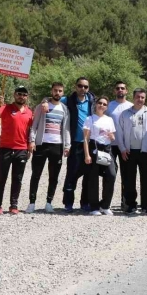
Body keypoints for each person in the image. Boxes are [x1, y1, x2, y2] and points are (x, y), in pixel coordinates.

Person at [51, 77, 96, 213]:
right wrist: (45, 102)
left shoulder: (93, 102)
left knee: (88, 175)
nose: (83, 89)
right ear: (76, 86)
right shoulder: (67, 100)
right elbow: (53, 100)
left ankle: (85, 203)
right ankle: (68, 203)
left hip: (89, 143)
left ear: (88, 88)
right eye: (80, 86)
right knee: (72, 173)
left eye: (85, 87)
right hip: (75, 143)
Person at [27, 82, 71, 213]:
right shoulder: (42, 106)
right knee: (36, 175)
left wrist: (67, 145)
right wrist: (32, 140)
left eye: (60, 91)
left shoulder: (64, 109)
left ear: (63, 93)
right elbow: (34, 125)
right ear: (51, 91)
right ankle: (32, 203)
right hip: (41, 145)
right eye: (55, 90)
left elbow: (67, 129)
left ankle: (48, 203)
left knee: (54, 176)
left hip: (57, 146)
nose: (57, 93)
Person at [0, 86, 34, 215]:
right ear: (14, 95)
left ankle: (13, 205)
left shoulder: (29, 112)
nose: (21, 96)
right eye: (19, 94)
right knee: (1, 178)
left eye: (24, 95)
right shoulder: (6, 108)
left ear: (27, 97)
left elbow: (31, 131)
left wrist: (30, 145)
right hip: (6, 148)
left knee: (17, 179)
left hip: (21, 149)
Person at [118, 89, 147, 214]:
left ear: (145, 99)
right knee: (129, 179)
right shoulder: (125, 114)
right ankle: (130, 204)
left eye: (142, 97)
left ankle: (146, 205)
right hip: (129, 152)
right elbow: (119, 133)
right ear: (133, 97)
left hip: (145, 151)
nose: (140, 99)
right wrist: (123, 149)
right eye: (138, 97)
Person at [82, 96, 117, 216]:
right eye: (100, 103)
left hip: (106, 149)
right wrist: (87, 155)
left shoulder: (109, 120)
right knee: (93, 178)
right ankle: (94, 207)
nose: (102, 105)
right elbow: (86, 139)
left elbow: (112, 136)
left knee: (111, 175)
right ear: (96, 105)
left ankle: (105, 205)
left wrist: (111, 136)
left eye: (104, 104)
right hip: (94, 148)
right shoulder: (90, 119)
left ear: (107, 107)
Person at [107, 81, 133, 210]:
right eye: (117, 88)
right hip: (111, 145)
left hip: (126, 146)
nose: (120, 90)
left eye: (123, 88)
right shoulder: (109, 106)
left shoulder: (131, 107)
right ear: (114, 91)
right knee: (110, 174)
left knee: (126, 175)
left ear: (126, 91)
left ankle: (126, 201)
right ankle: (107, 201)